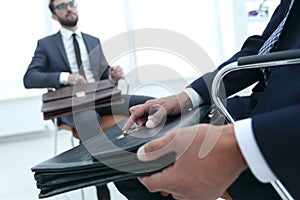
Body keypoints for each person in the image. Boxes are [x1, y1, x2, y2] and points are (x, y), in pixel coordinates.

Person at [123, 0, 300, 199]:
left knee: (150, 161)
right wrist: (188, 97)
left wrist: (239, 144)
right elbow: (263, 48)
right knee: (131, 155)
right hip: (259, 105)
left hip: (285, 128)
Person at [23, 0, 166, 199]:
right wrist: (66, 77)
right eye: (62, 6)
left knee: (153, 103)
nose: (69, 8)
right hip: (73, 103)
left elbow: (104, 74)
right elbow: (29, 78)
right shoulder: (46, 45)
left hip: (102, 98)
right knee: (88, 120)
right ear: (54, 16)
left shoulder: (92, 40)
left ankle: (159, 161)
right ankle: (103, 185)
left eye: (71, 3)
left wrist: (112, 75)